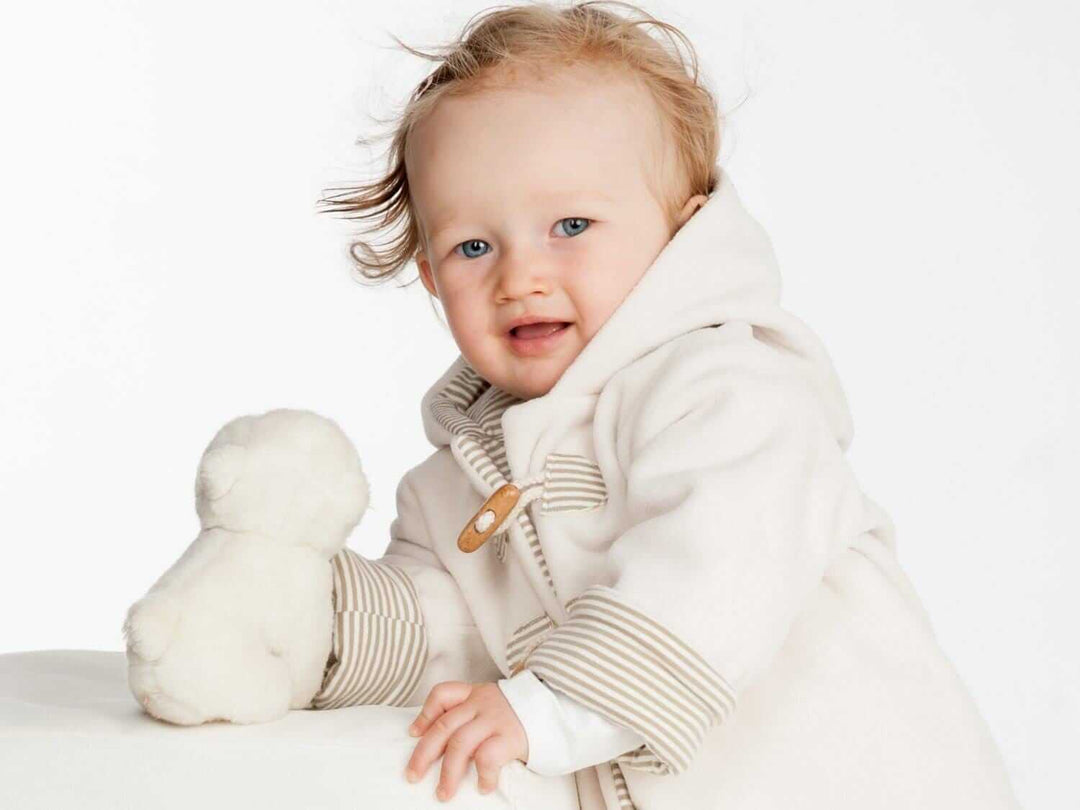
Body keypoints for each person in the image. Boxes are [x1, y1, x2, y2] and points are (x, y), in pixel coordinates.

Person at [305, 3, 1023, 808]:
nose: (520, 277)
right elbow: (451, 632)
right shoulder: (455, 484)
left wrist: (548, 709)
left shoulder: (731, 394)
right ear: (432, 278)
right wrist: (314, 629)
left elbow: (715, 570)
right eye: (473, 246)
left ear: (680, 235)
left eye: (571, 225)